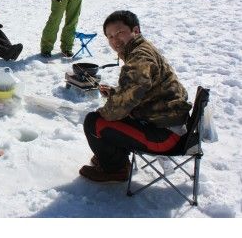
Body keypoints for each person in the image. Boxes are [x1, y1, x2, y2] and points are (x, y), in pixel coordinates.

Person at [79, 10, 192, 182]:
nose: (115, 40)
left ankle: (115, 169)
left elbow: (121, 106)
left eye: (119, 32)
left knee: (94, 122)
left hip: (166, 135)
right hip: (166, 122)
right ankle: (111, 156)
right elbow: (140, 90)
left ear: (135, 30)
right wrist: (115, 94)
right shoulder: (141, 49)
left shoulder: (140, 56)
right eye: (110, 36)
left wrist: (106, 112)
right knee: (112, 117)